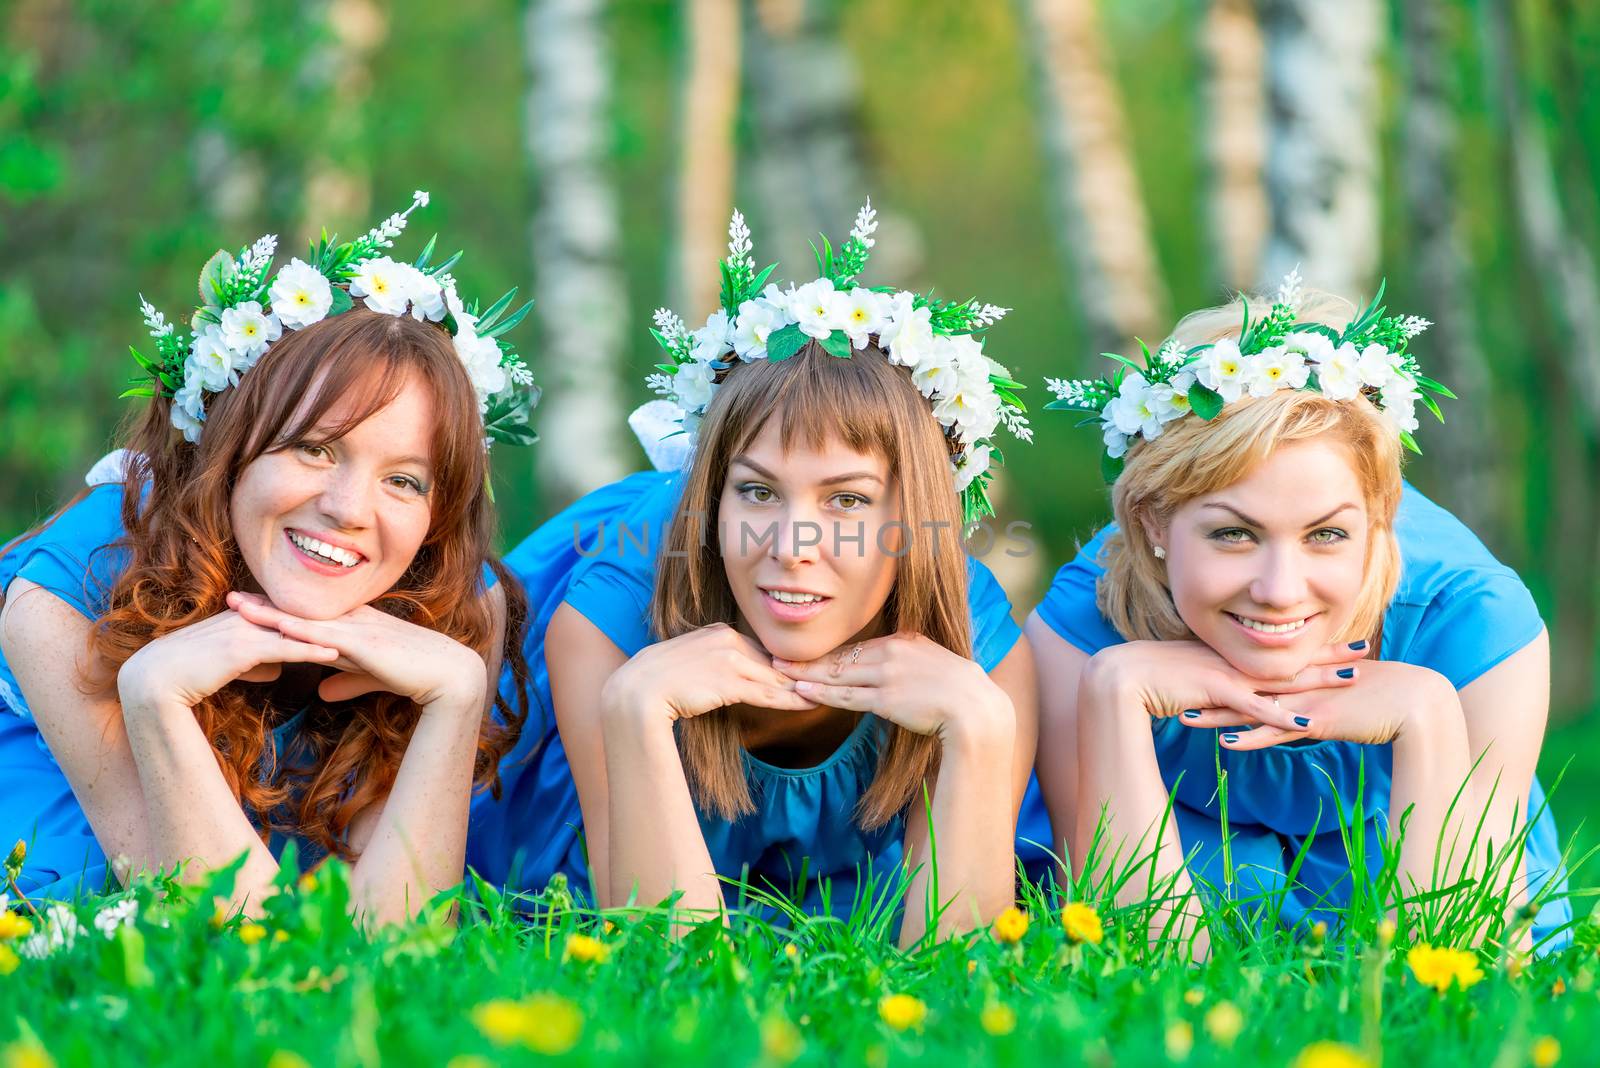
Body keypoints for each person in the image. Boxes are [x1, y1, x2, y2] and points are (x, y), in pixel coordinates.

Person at [469, 205, 1038, 945]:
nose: (791, 546)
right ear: (711, 494)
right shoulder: (611, 617)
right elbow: (659, 951)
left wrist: (982, 724)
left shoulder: (977, 644)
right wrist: (638, 705)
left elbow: (957, 976)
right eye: (758, 491)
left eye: (847, 500)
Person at [0, 193, 539, 924]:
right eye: (315, 448)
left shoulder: (451, 601)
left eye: (403, 481)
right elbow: (238, 936)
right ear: (228, 446)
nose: (351, 509)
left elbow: (399, 948)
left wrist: (455, 699)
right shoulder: (67, 595)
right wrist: (156, 697)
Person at [1029, 278, 1569, 952]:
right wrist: (1114, 695)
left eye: (1326, 535)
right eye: (1233, 534)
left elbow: (1459, 973)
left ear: (1378, 520)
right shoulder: (1080, 631)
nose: (1280, 591)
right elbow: (1135, 971)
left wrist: (1427, 716)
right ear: (1155, 522)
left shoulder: (1472, 624)